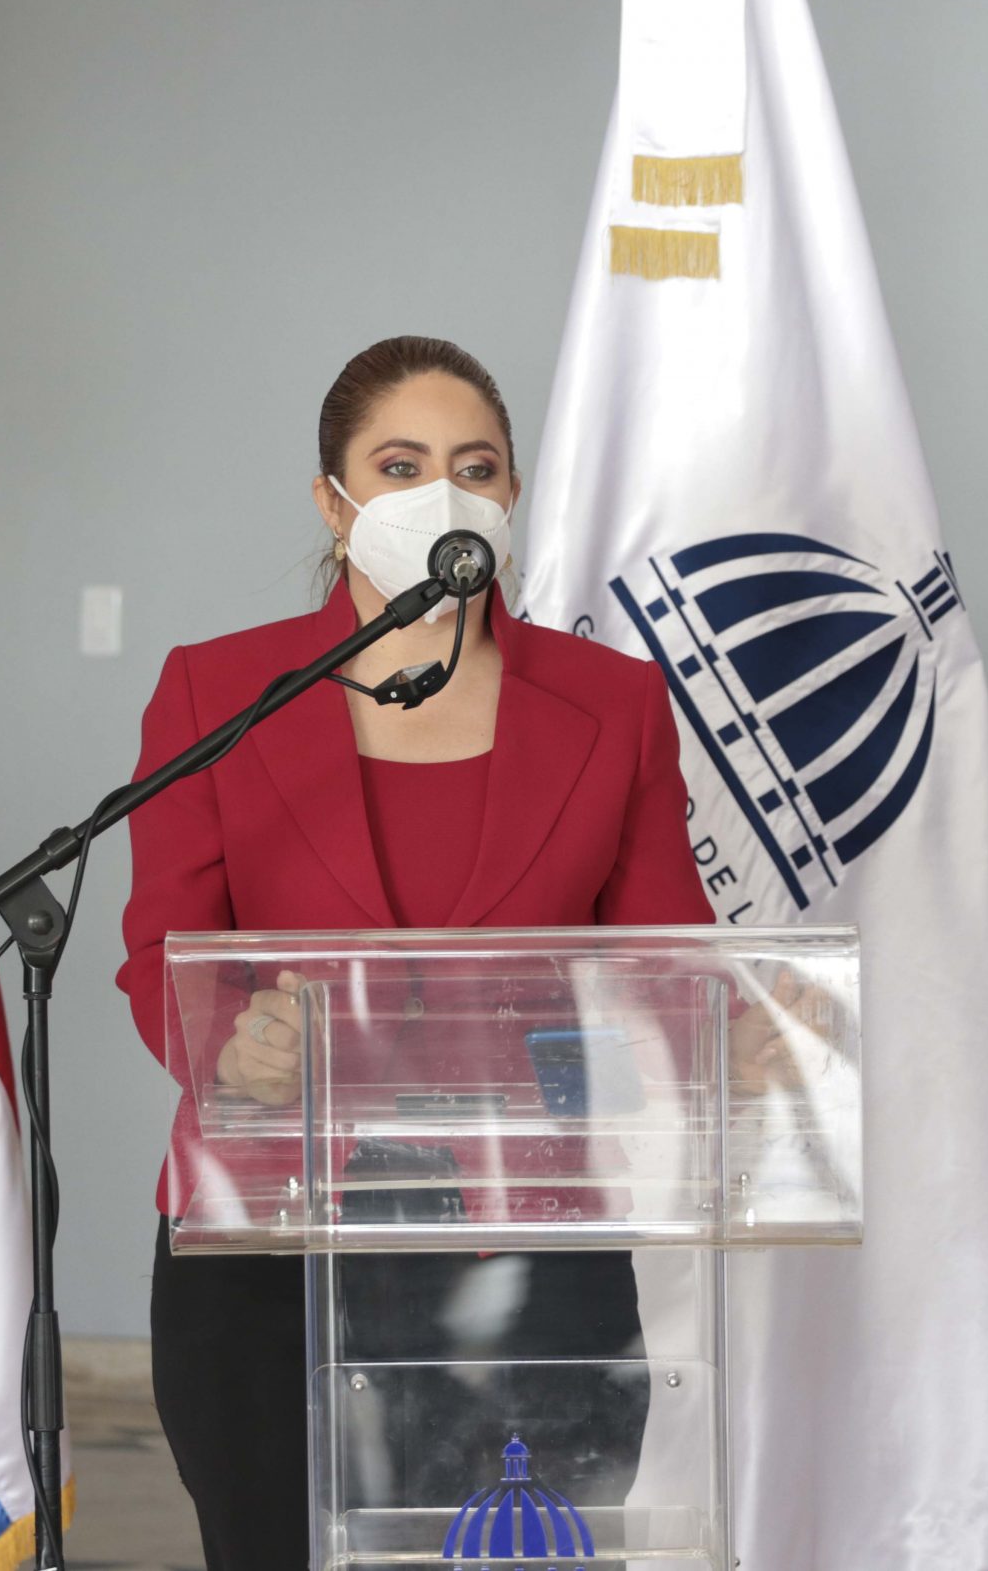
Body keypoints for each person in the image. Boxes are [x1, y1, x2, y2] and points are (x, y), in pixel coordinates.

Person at [116, 335, 714, 1569]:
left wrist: (744, 1031)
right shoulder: (217, 691)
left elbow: (671, 958)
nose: (443, 495)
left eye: (474, 465)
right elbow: (159, 955)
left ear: (508, 495)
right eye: (399, 465)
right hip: (266, 1246)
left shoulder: (615, 704)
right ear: (332, 501)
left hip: (531, 1250)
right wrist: (238, 1046)